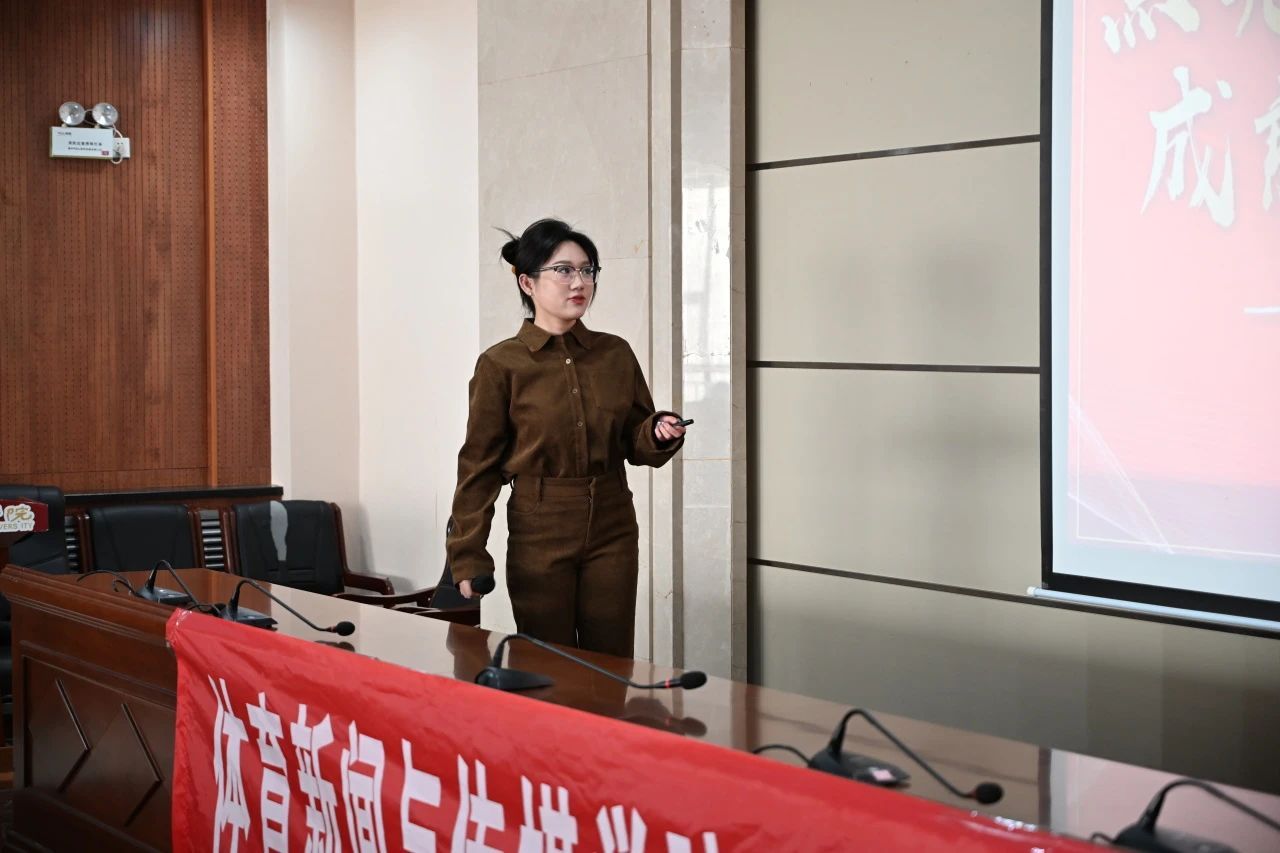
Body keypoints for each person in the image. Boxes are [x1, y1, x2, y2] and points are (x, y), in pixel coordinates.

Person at [447, 218, 686, 657]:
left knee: (611, 660)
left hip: (614, 521)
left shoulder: (615, 353)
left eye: (587, 270)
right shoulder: (501, 365)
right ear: (528, 282)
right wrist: (468, 554)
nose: (579, 282)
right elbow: (479, 467)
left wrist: (657, 432)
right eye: (563, 270)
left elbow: (636, 442)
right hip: (540, 524)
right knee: (548, 661)